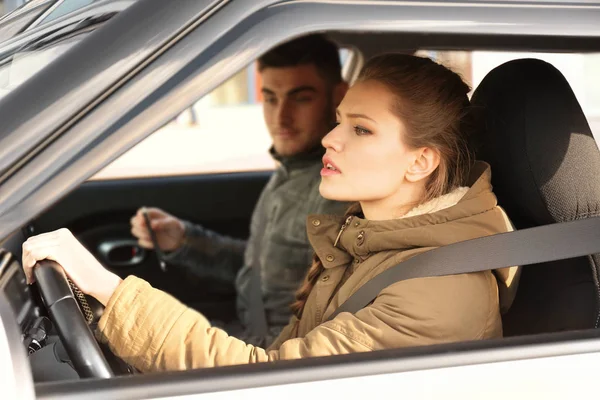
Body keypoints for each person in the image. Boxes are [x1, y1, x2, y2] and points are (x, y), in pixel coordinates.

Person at [22, 53, 520, 372]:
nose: (330, 137)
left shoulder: (436, 293)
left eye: (361, 129)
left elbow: (262, 375)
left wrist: (108, 288)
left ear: (421, 161)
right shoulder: (362, 238)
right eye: (340, 122)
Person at [128, 34, 349, 345]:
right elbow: (256, 271)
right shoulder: (290, 171)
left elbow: (327, 324)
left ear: (338, 97)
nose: (281, 116)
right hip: (246, 334)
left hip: (273, 356)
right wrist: (183, 239)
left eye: (301, 98)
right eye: (270, 98)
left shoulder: (338, 187)